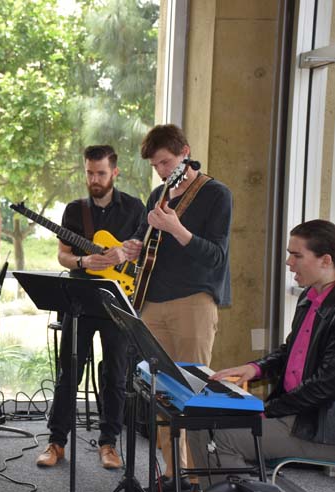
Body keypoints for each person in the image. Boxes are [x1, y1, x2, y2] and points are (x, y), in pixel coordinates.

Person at [123, 124, 232, 490]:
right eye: (156, 166)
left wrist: (177, 228)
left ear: (185, 152)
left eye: (166, 162)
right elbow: (145, 239)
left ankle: (199, 477)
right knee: (163, 395)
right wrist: (134, 245)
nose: (162, 172)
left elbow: (217, 257)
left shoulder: (217, 194)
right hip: (152, 302)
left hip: (194, 302)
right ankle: (173, 475)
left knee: (194, 391)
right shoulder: (159, 193)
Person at [188, 219, 335, 488]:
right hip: (298, 413)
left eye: (297, 255)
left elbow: (327, 384)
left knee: (219, 438)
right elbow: (288, 351)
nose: (289, 262)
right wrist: (254, 369)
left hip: (321, 428)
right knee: (199, 424)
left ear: (325, 260)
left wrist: (268, 410)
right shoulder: (310, 296)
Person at [36, 145, 145, 469]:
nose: (94, 179)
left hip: (118, 300)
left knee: (116, 375)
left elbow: (145, 252)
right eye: (89, 172)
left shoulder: (135, 208)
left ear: (115, 172)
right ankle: (57, 442)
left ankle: (109, 444)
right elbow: (63, 255)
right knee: (68, 373)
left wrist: (125, 254)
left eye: (100, 173)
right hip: (80, 299)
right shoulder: (74, 209)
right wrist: (84, 260)